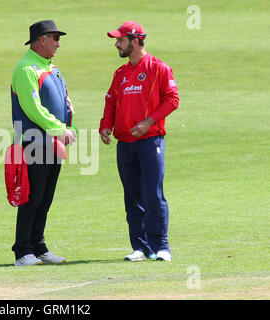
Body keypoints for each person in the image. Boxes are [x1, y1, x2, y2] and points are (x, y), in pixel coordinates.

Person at [99, 21, 179, 262]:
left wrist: (148, 122)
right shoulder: (120, 74)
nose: (117, 44)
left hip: (150, 140)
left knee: (153, 194)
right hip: (124, 143)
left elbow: (172, 99)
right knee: (132, 196)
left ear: (135, 41)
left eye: (120, 40)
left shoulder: (159, 68)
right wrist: (105, 125)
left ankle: (161, 246)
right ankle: (141, 247)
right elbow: (111, 101)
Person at [10, 20, 77, 266]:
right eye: (55, 39)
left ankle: (38, 247)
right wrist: (60, 129)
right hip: (34, 142)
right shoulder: (26, 69)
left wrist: (71, 129)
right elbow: (33, 109)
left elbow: (66, 103)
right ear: (41, 40)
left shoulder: (53, 69)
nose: (58, 44)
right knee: (32, 197)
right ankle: (22, 251)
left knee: (45, 198)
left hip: (53, 143)